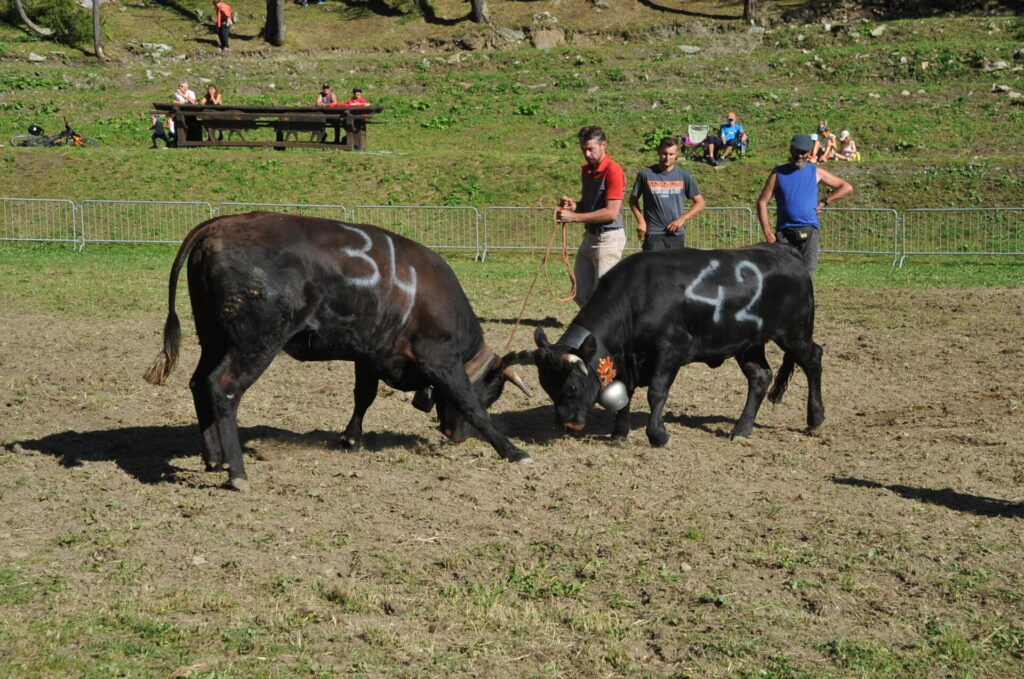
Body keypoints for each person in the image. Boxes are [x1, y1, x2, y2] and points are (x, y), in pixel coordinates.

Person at [756, 134, 853, 279]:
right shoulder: (778, 173)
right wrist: (767, 230)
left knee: (807, 276)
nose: (800, 156)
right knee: (784, 275)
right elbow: (762, 202)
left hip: (809, 232)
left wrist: (824, 201)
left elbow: (846, 187)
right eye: (797, 151)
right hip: (784, 233)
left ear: (810, 153)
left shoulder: (816, 172)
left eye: (804, 152)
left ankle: (805, 301)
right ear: (791, 150)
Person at [556, 126, 627, 307]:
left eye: (590, 149)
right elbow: (588, 206)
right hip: (589, 236)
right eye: (583, 149)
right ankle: (594, 327)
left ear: (603, 145)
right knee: (579, 292)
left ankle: (610, 331)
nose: (587, 154)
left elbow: (611, 212)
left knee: (604, 296)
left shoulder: (613, 171)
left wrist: (573, 217)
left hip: (608, 238)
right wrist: (575, 206)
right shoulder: (586, 170)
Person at [629, 136, 706, 251]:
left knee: (676, 269)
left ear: (677, 154)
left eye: (671, 154)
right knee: (654, 269)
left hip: (676, 234)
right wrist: (641, 221)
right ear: (658, 152)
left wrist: (682, 219)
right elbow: (633, 200)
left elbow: (700, 203)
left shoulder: (684, 176)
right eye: (664, 153)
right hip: (654, 234)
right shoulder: (645, 174)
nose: (667, 158)